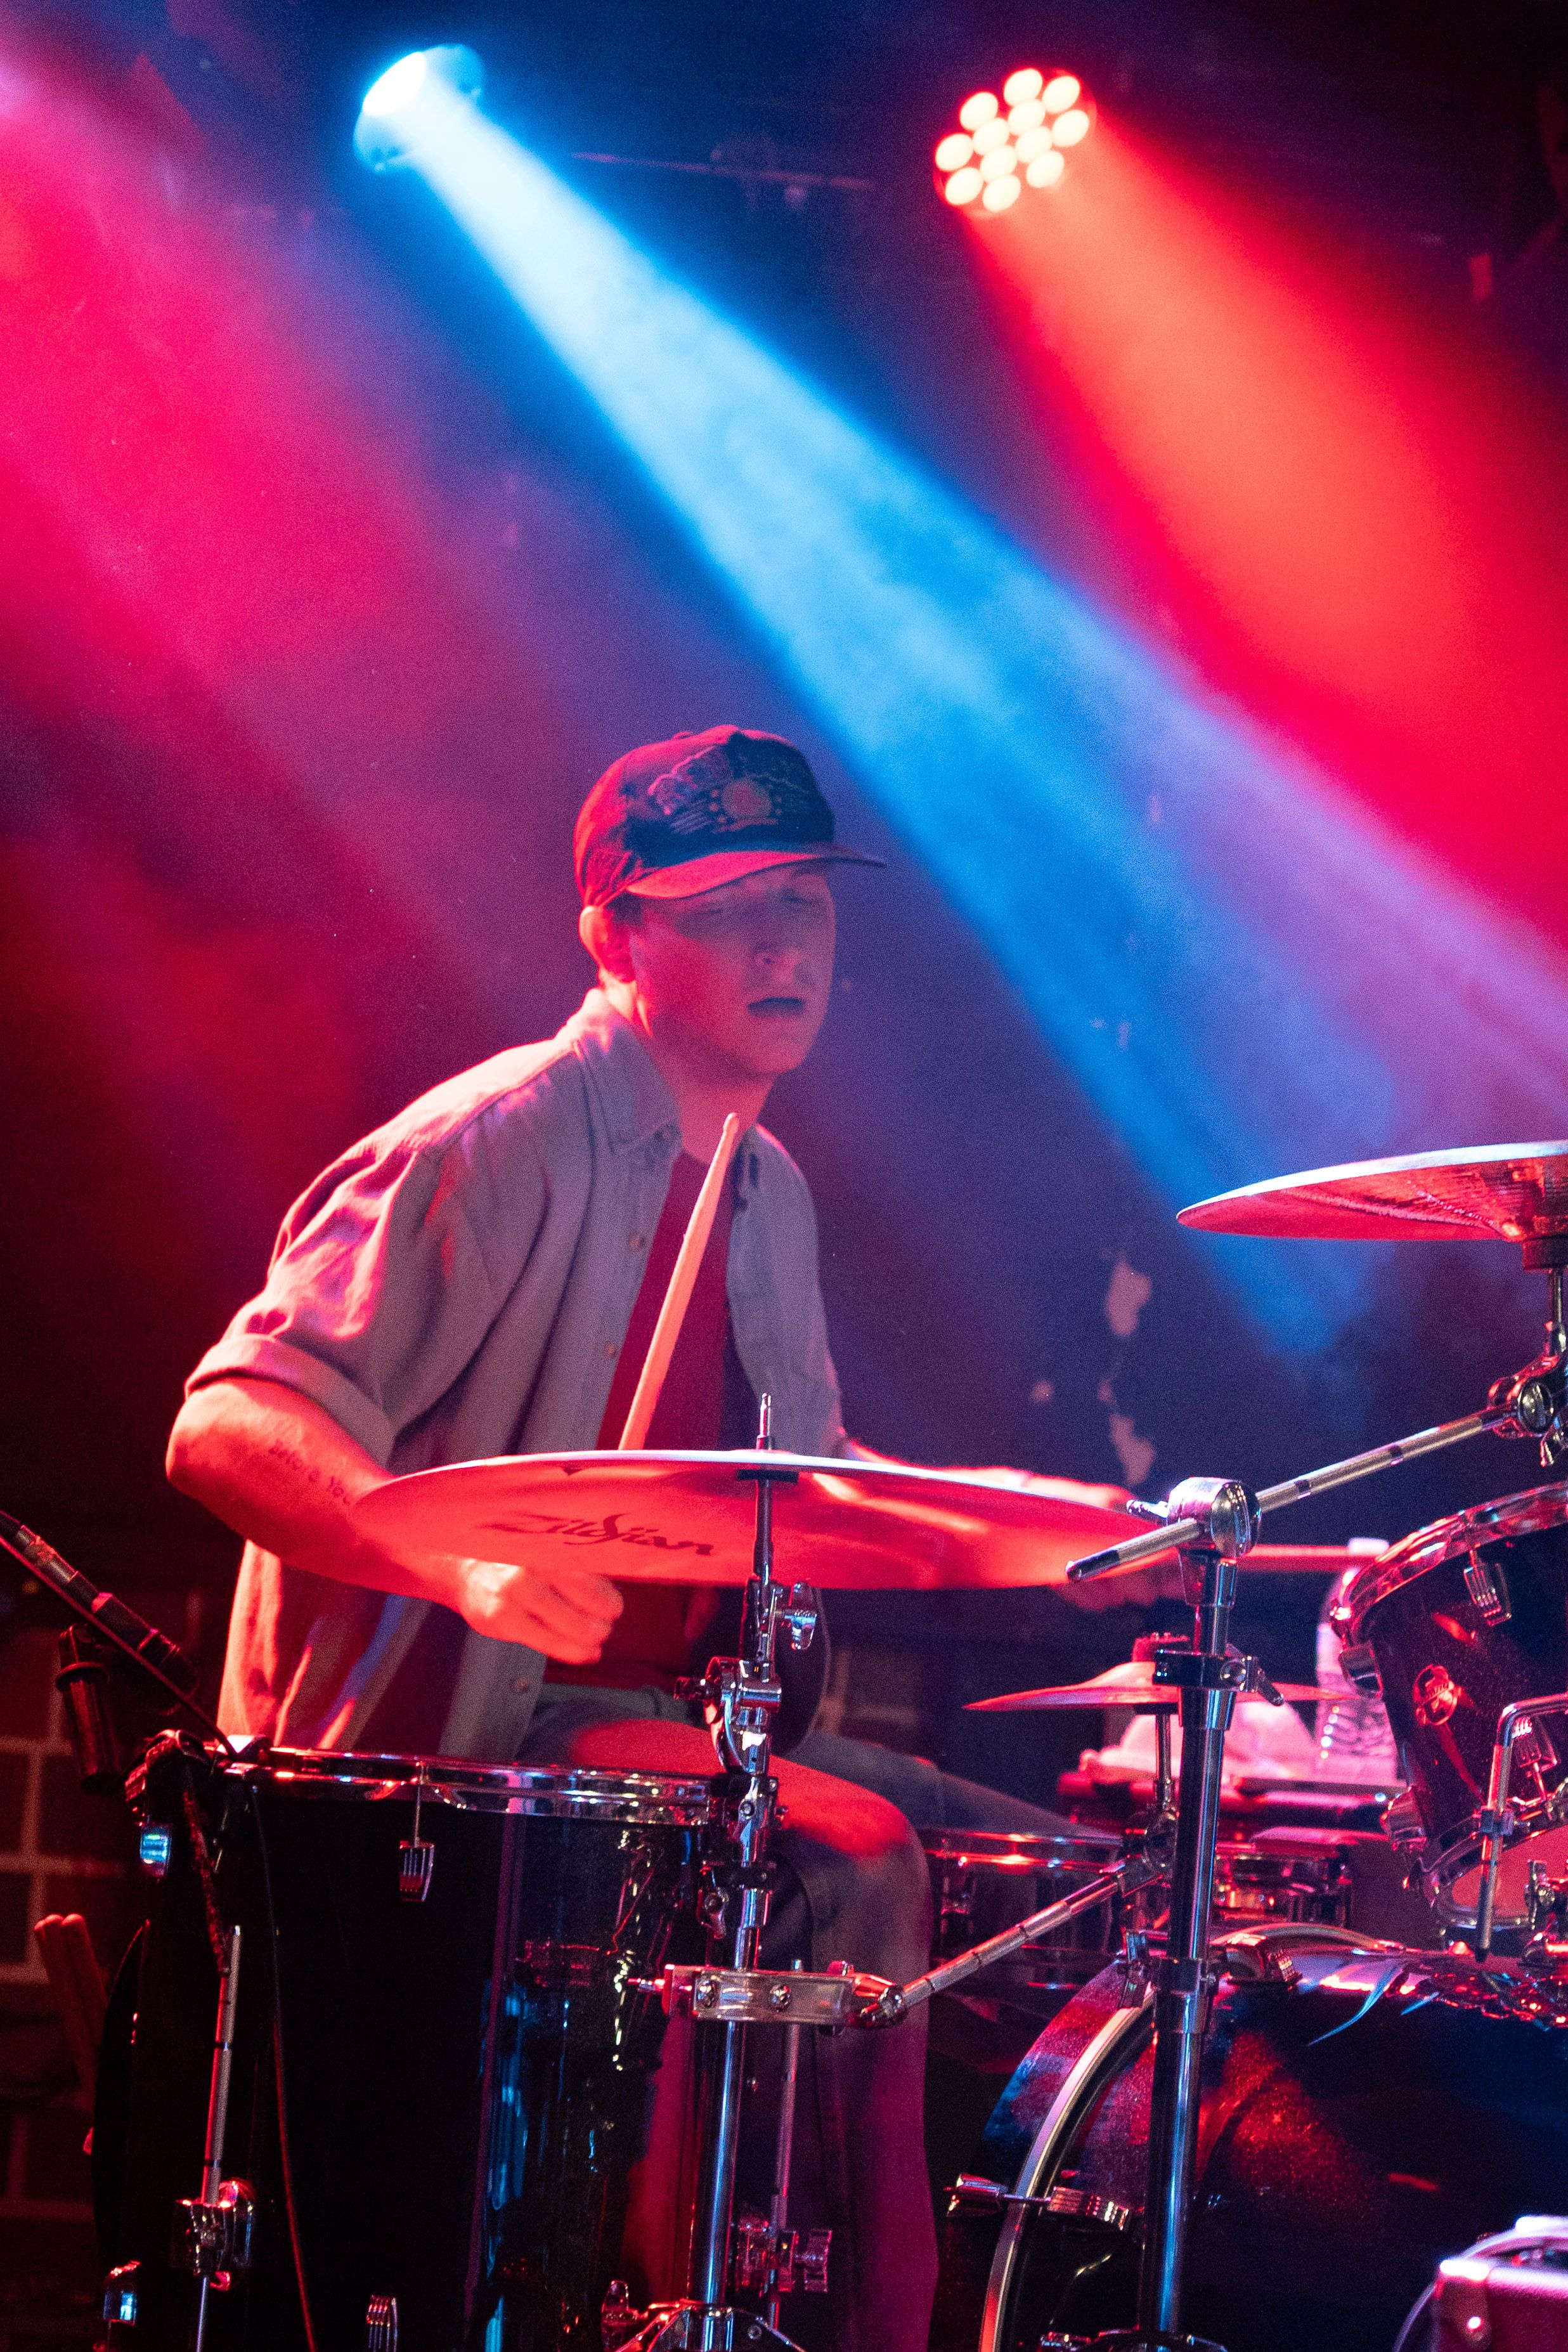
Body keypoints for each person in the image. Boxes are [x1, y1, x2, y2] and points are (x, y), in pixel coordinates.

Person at [166, 725, 1130, 2352]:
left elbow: (793, 1491)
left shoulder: (767, 1189)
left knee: (1062, 1885)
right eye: (729, 904)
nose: (785, 946)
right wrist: (450, 1561)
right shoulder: (498, 1138)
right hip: (451, 1766)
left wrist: (1045, 1539)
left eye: (808, 905)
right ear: (615, 934)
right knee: (852, 1851)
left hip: (650, 1739)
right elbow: (226, 1419)